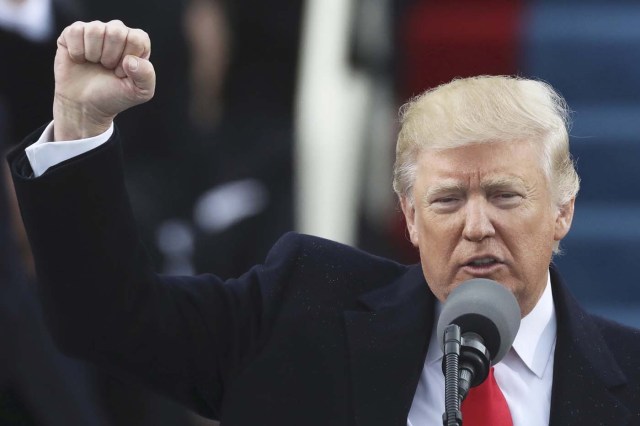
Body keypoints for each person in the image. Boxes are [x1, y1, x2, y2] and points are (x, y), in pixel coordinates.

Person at [7, 20, 640, 425]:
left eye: (504, 196)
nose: (476, 226)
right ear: (411, 219)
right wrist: (81, 128)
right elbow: (107, 320)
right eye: (447, 201)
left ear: (563, 212)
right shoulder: (302, 308)